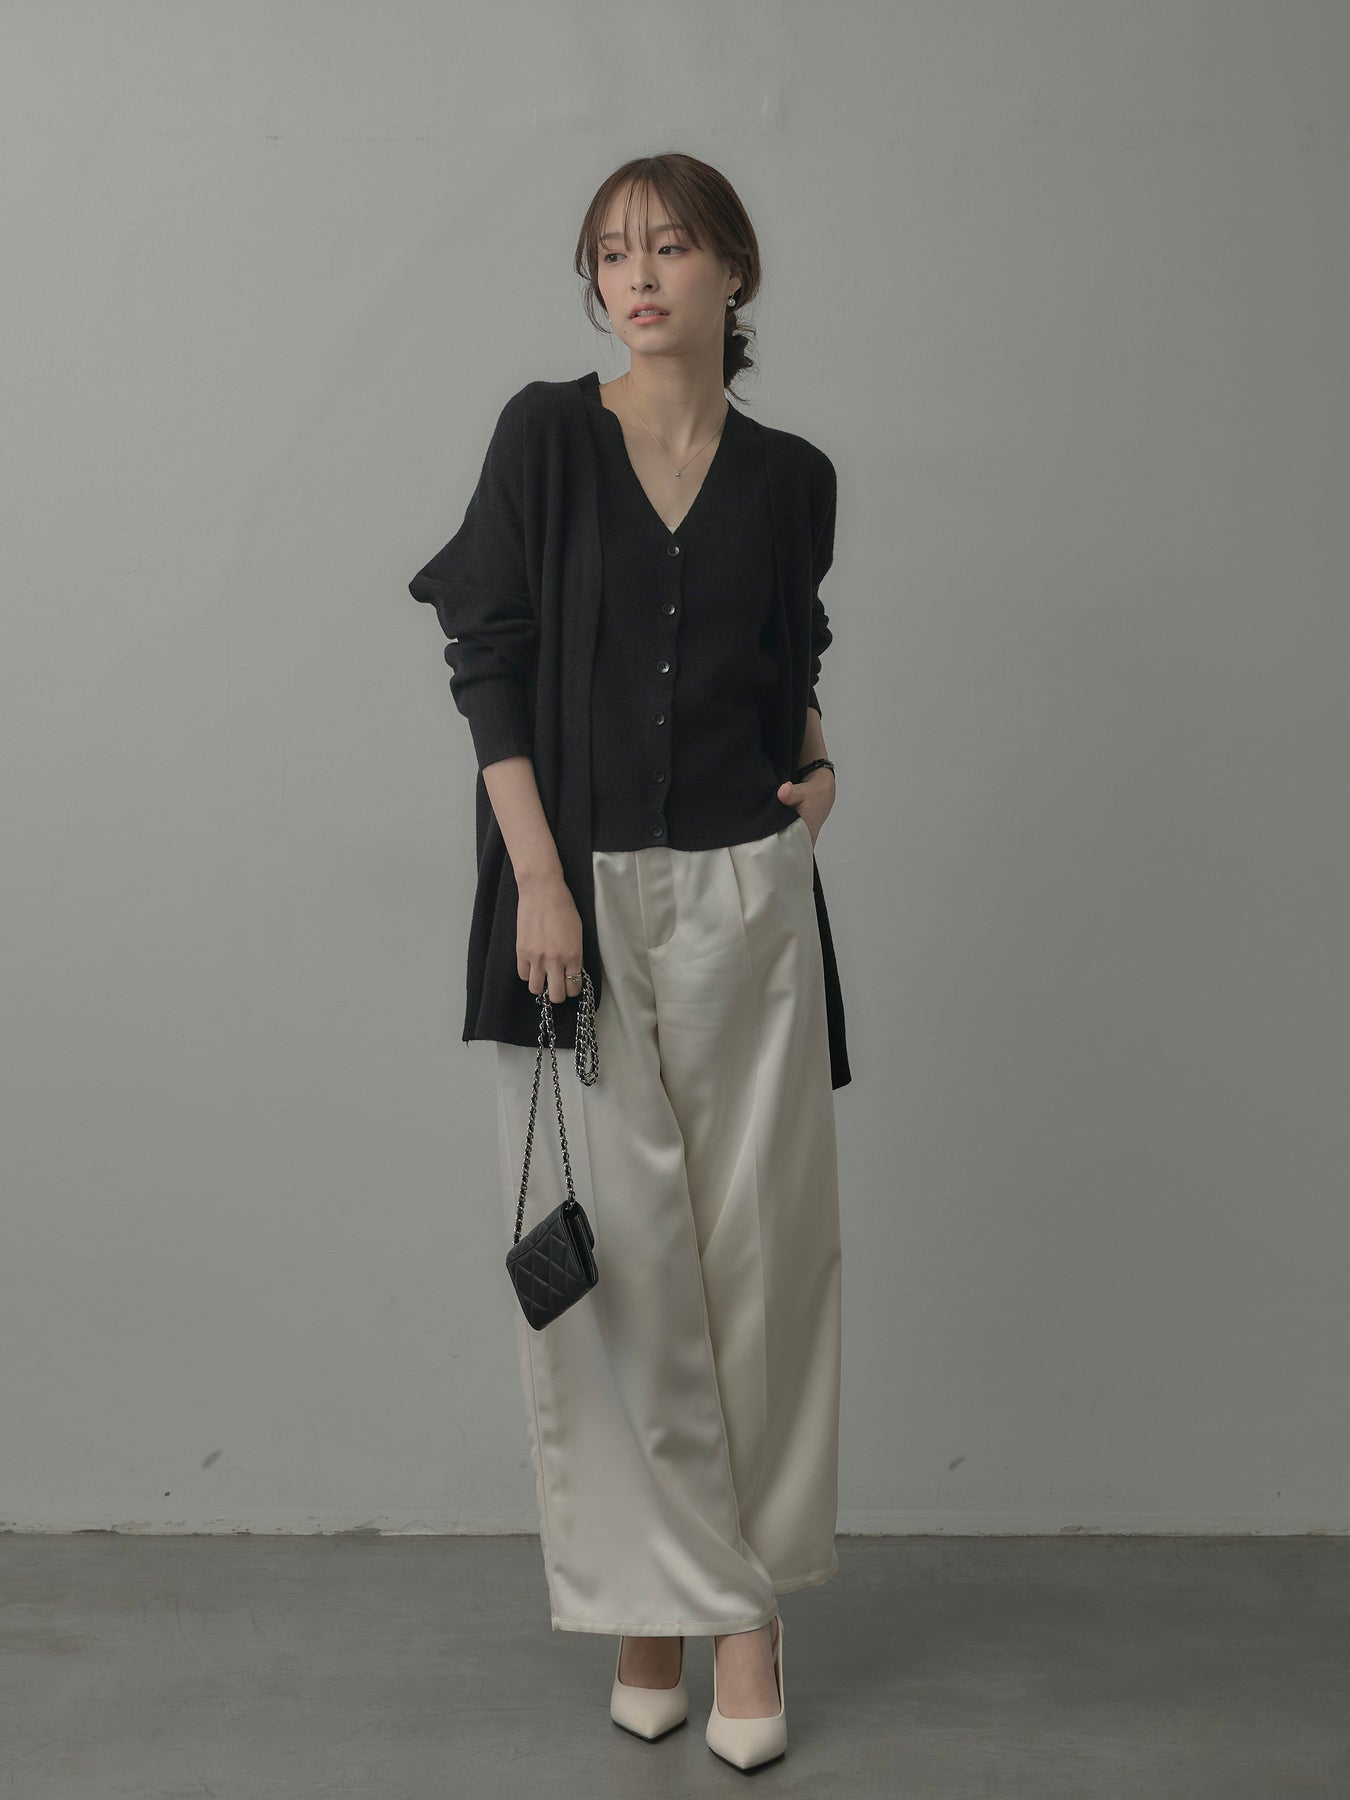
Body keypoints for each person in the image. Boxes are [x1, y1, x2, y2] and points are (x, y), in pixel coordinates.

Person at [409, 152, 848, 1773]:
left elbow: (792, 655)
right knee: (629, 1279)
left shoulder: (792, 476)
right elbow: (487, 654)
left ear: (734, 270)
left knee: (760, 1265)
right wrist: (536, 878)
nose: (637, 275)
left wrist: (820, 764)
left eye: (668, 246)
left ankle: (713, 1618)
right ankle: (693, 1609)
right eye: (610, 252)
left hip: (749, 896)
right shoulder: (544, 437)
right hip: (577, 899)